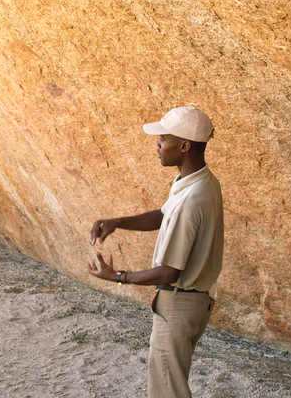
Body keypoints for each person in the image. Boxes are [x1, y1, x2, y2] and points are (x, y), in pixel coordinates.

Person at [88, 106, 224, 398]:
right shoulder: (200, 182)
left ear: (185, 146)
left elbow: (169, 272)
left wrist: (118, 277)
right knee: (171, 383)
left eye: (163, 139)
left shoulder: (192, 199)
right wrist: (118, 222)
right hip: (191, 303)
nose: (158, 145)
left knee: (167, 390)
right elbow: (164, 215)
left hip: (178, 305)